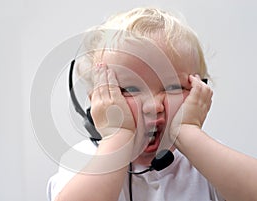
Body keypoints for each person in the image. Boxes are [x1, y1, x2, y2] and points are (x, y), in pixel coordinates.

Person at [47, 7, 257, 201]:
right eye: (130, 90)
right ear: (99, 102)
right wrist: (117, 137)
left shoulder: (208, 160)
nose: (153, 106)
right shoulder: (85, 161)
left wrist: (189, 132)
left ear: (198, 94)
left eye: (173, 87)